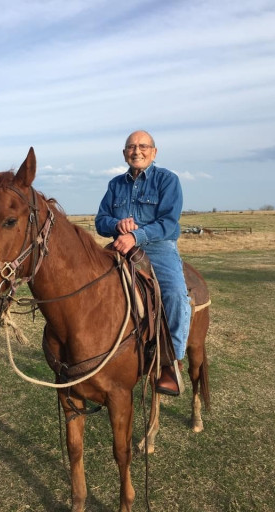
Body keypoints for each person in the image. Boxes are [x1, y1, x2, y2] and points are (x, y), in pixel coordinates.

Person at [95, 130, 191, 396]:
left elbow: (168, 223)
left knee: (175, 295)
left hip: (158, 249)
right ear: (124, 153)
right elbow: (100, 220)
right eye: (131, 147)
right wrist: (116, 224)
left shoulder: (167, 180)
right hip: (119, 247)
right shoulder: (115, 184)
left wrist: (136, 235)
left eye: (143, 146)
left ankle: (171, 363)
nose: (136, 151)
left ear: (154, 151)